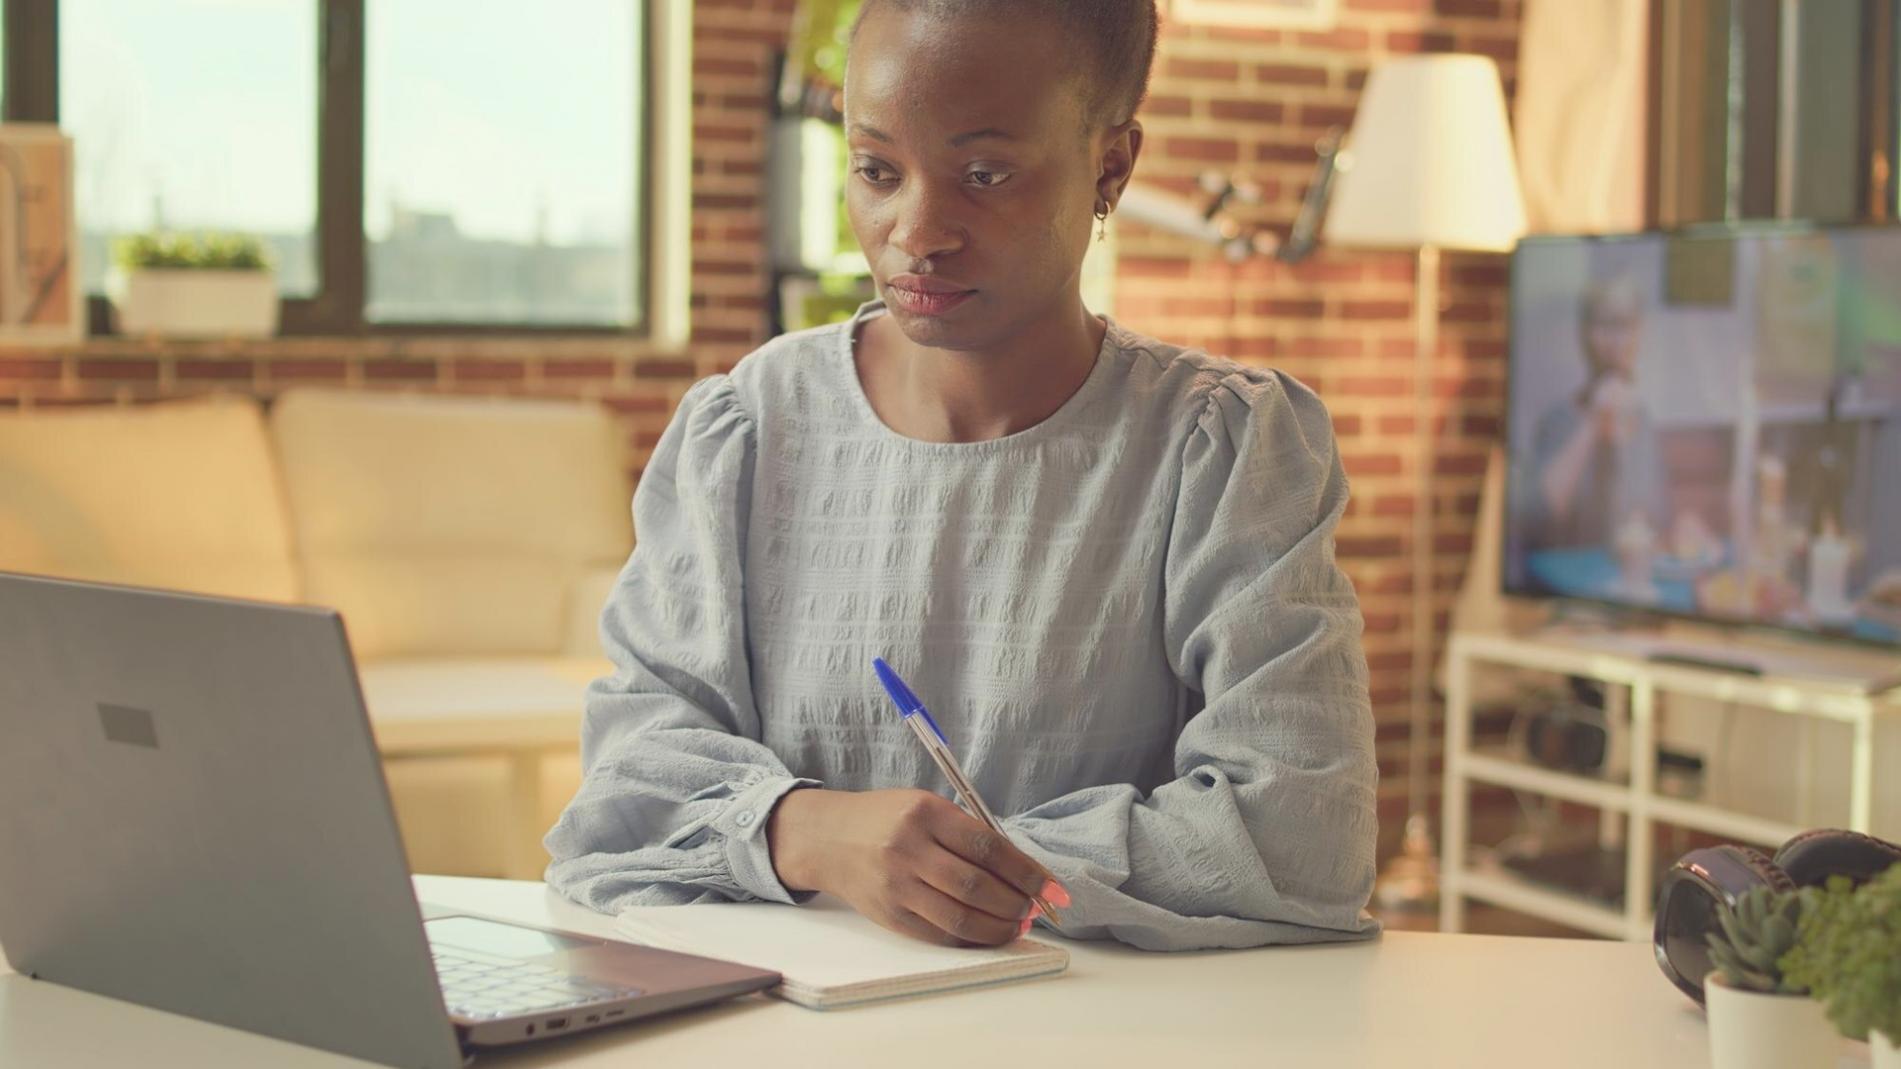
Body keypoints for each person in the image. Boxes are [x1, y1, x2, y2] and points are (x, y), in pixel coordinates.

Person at [544, 0, 1378, 953]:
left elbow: (1302, 835)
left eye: (984, 174)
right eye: (876, 171)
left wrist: (945, 864)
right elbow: (626, 787)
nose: (917, 230)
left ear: (1111, 164)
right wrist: (809, 832)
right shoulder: (748, 428)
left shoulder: (1218, 449)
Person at [1525, 273, 1671, 549]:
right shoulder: (1556, 421)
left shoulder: (1644, 421)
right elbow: (1540, 518)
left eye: (1627, 326)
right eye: (1605, 325)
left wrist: (1683, 532)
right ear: (1585, 334)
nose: (1617, 343)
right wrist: (1593, 421)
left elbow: (1655, 523)